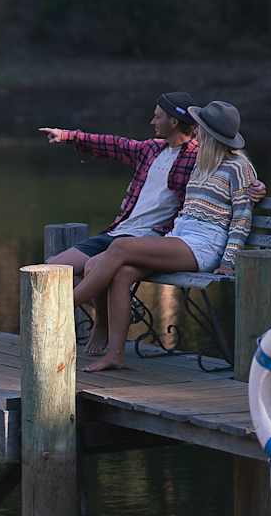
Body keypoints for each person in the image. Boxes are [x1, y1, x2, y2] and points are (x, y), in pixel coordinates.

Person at [72, 100, 259, 372]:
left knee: (121, 247)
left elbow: (242, 219)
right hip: (179, 238)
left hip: (204, 246)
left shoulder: (238, 167)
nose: (196, 131)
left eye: (201, 128)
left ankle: (59, 307)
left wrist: (229, 261)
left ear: (208, 133)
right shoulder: (201, 163)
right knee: (118, 272)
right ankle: (115, 355)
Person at [38, 92, 201, 354]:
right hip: (118, 231)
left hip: (148, 241)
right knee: (53, 269)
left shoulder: (197, 158)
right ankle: (105, 316)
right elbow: (114, 144)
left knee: (93, 268)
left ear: (173, 121)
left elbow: (230, 168)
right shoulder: (151, 149)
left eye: (157, 116)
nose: (152, 121)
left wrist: (256, 187)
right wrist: (68, 135)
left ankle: (101, 324)